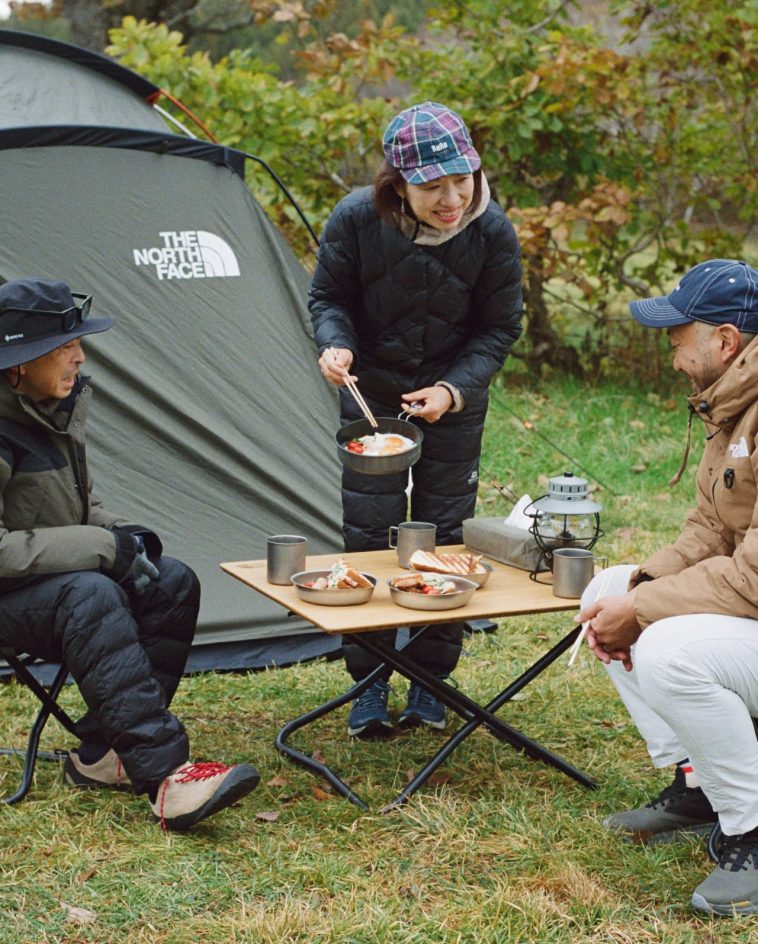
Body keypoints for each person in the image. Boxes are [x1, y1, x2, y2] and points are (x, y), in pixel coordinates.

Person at [0, 278, 260, 830]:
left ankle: (102, 755)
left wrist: (125, 537)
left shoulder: (52, 410)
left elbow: (84, 506)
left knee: (170, 582)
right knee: (90, 592)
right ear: (17, 362)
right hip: (13, 594)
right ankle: (166, 778)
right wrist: (100, 547)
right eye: (63, 346)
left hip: (43, 582)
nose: (80, 355)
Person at [309, 102, 523, 736]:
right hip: (371, 394)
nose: (453, 198)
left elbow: (499, 326)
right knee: (369, 533)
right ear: (398, 182)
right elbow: (330, 298)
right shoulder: (355, 218)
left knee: (444, 538)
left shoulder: (492, 231)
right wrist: (335, 342)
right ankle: (370, 680)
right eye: (434, 186)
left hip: (453, 397)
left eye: (463, 180)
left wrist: (454, 390)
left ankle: (432, 683)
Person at [577, 258, 758, 916]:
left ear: (726, 342)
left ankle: (751, 829)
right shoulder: (734, 401)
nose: (673, 353)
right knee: (607, 588)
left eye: (679, 337)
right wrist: (638, 587)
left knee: (664, 647)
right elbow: (709, 529)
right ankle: (698, 781)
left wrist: (645, 610)